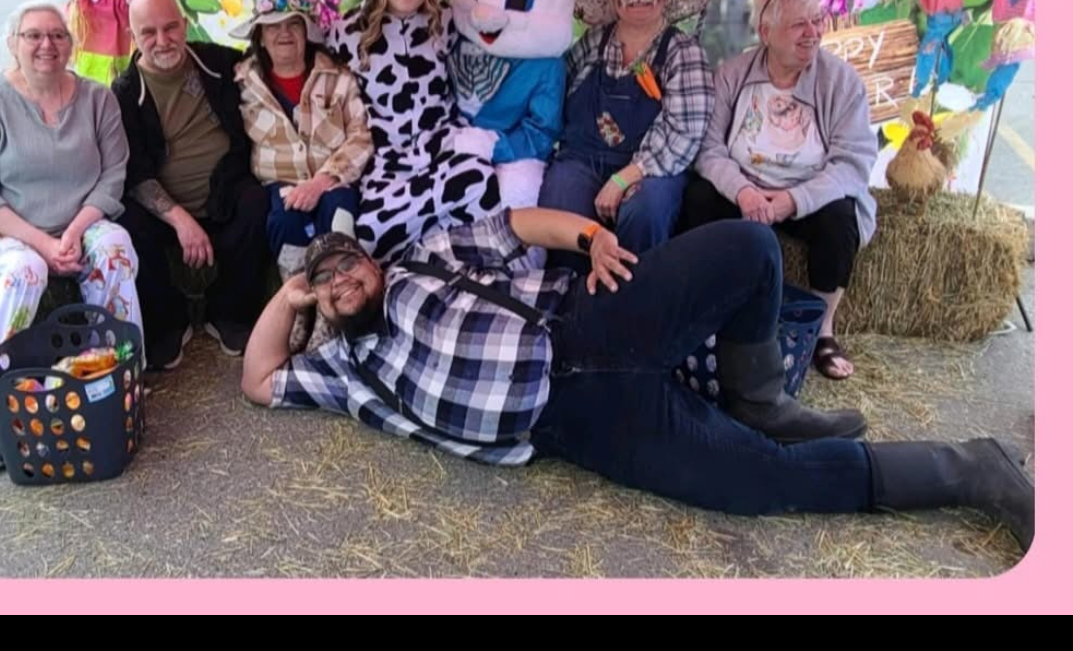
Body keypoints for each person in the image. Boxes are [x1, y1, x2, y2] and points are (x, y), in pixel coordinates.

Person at [239, 211, 1032, 550]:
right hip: (577, 424)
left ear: (373, 260)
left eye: (346, 263)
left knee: (749, 246)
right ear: (316, 304)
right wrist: (290, 292)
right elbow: (256, 379)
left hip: (588, 321)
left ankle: (760, 401)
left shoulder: (423, 257)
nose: (340, 280)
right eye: (323, 282)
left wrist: (590, 235)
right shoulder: (346, 371)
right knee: (759, 485)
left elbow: (516, 225)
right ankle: (972, 470)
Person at [0, 2, 142, 472]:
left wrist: (73, 232)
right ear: (12, 43)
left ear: (71, 44)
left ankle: (112, 379)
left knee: (115, 248)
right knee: (25, 271)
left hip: (77, 222)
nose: (46, 45)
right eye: (33, 35)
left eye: (58, 35)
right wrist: (43, 244)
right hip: (4, 227)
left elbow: (113, 176)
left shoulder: (97, 99)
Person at [684, 0, 876, 382]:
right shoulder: (733, 74)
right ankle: (711, 310)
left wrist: (795, 200)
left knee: (840, 218)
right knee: (698, 200)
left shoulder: (841, 81)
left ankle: (822, 330)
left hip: (808, 192)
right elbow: (709, 149)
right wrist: (743, 191)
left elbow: (852, 163)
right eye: (799, 24)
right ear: (765, 31)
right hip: (746, 188)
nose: (813, 33)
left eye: (817, 20)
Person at [327, 0, 500, 258]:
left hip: (444, 151)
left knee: (480, 181)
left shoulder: (447, 21)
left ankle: (462, 268)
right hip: (387, 165)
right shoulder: (346, 32)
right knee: (370, 235)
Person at [116, 0, 269, 371]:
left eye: (171, 28)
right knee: (127, 222)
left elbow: (274, 65)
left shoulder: (219, 63)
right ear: (133, 37)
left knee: (256, 201)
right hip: (166, 210)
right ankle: (169, 322)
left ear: (185, 25)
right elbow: (136, 174)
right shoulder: (124, 93)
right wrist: (180, 220)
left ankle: (229, 313)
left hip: (224, 191)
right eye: (148, 32)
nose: (163, 40)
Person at [538, 0, 714, 252]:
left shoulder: (683, 52)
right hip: (582, 160)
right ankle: (569, 283)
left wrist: (625, 178)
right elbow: (554, 89)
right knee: (560, 200)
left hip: (651, 169)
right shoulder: (594, 41)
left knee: (644, 211)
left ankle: (639, 284)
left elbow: (686, 132)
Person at [234, 0, 371, 284]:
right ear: (260, 36)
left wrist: (321, 182)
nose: (284, 33)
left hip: (333, 179)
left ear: (306, 31)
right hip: (280, 185)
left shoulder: (338, 77)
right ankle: (300, 299)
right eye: (273, 26)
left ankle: (344, 291)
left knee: (340, 212)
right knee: (286, 220)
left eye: (293, 24)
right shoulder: (243, 85)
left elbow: (361, 137)